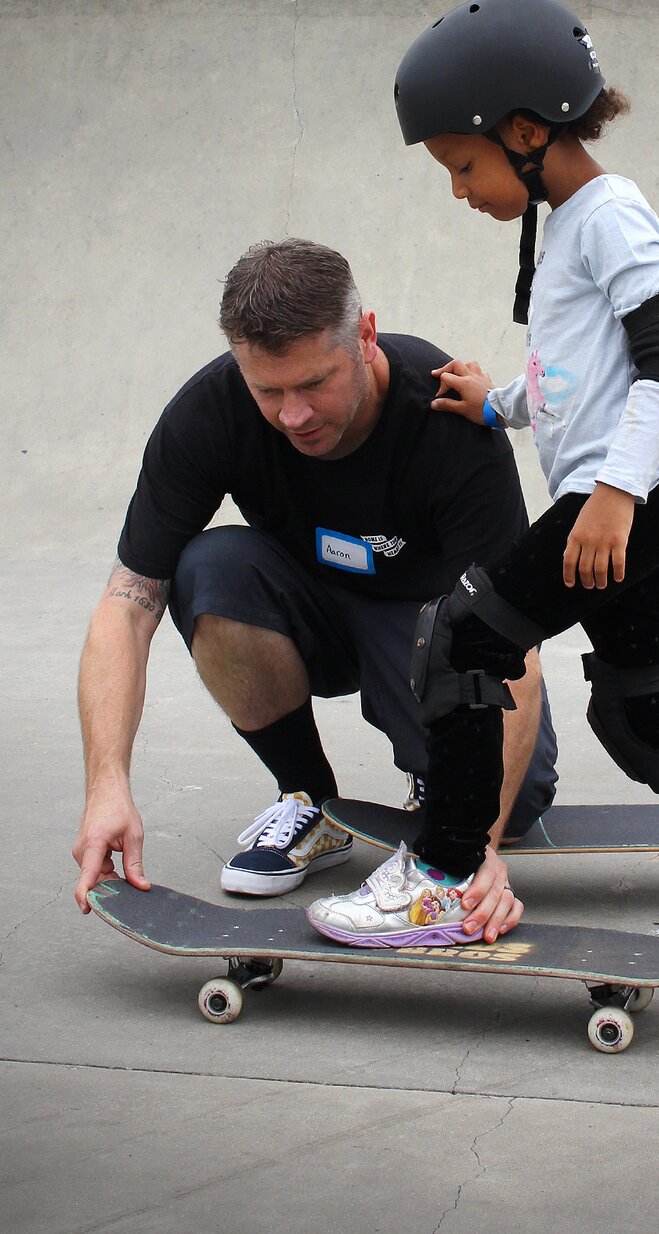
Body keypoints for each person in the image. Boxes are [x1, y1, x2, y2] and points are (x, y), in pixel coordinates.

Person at [307, 0, 659, 964]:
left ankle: (443, 878)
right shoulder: (567, 220)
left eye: (462, 163)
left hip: (630, 499)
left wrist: (614, 492)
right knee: (637, 705)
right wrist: (498, 404)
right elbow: (582, 373)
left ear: (525, 131)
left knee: (461, 641)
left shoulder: (611, 212)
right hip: (650, 495)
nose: (457, 187)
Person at [73, 237, 558, 941]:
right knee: (209, 568)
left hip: (434, 631)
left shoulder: (446, 414)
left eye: (313, 384)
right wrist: (106, 786)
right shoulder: (211, 412)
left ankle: (440, 784)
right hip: (307, 604)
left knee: (514, 808)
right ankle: (308, 797)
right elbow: (127, 603)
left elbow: (518, 647)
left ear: (364, 336)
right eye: (268, 390)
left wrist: (469, 856)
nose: (291, 414)